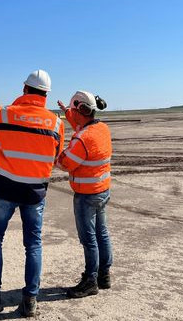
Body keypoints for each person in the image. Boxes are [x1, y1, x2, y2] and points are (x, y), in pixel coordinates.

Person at [0, 70, 65, 317]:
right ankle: (30, 301)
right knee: (33, 243)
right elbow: (56, 157)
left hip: (6, 189)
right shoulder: (57, 123)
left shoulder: (6, 113)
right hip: (35, 193)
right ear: (46, 95)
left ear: (25, 90)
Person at [55, 91, 113, 299]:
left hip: (86, 195)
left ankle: (90, 280)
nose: (71, 113)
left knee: (89, 239)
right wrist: (67, 113)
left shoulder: (81, 139)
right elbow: (82, 124)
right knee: (102, 234)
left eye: (72, 110)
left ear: (80, 110)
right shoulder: (101, 129)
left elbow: (64, 163)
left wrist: (57, 149)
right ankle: (104, 275)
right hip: (102, 190)